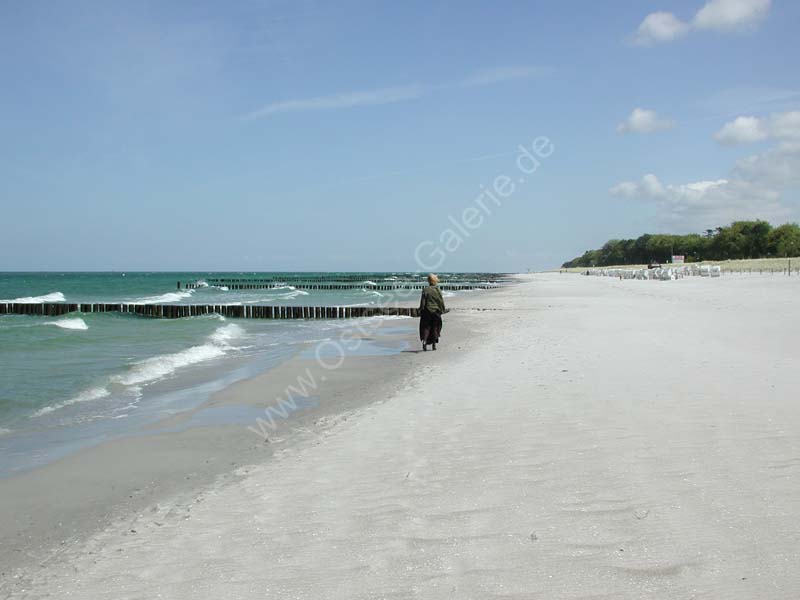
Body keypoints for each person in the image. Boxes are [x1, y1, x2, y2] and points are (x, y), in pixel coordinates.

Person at [419, 273, 445, 351]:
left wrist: (421, 309)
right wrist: (442, 309)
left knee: (426, 327)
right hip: (436, 311)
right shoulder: (438, 290)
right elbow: (440, 301)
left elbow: (423, 302)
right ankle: (434, 344)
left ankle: (424, 341)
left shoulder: (425, 290)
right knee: (435, 327)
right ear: (435, 281)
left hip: (427, 311)